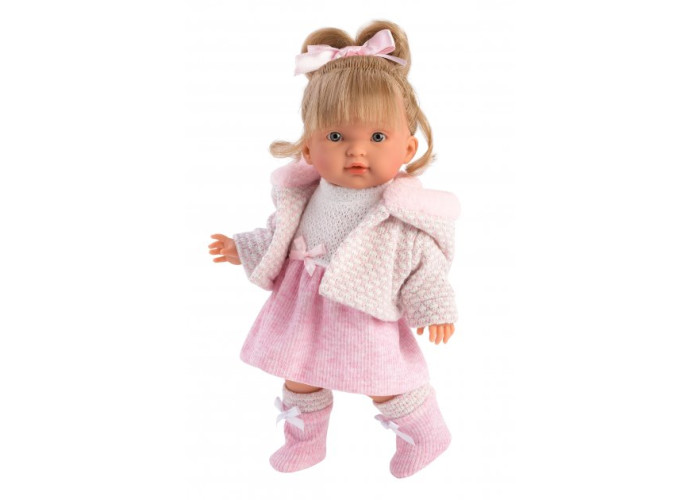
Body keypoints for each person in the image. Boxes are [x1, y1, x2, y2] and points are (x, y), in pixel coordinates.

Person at [208, 20, 460, 478]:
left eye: (377, 137)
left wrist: (434, 308)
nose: (356, 152)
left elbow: (424, 263)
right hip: (305, 305)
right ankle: (305, 442)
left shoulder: (399, 213)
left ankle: (427, 433)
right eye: (336, 137)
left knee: (384, 382)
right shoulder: (303, 196)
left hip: (363, 310)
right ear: (309, 147)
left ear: (408, 146)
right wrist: (242, 247)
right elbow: (282, 236)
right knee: (299, 374)